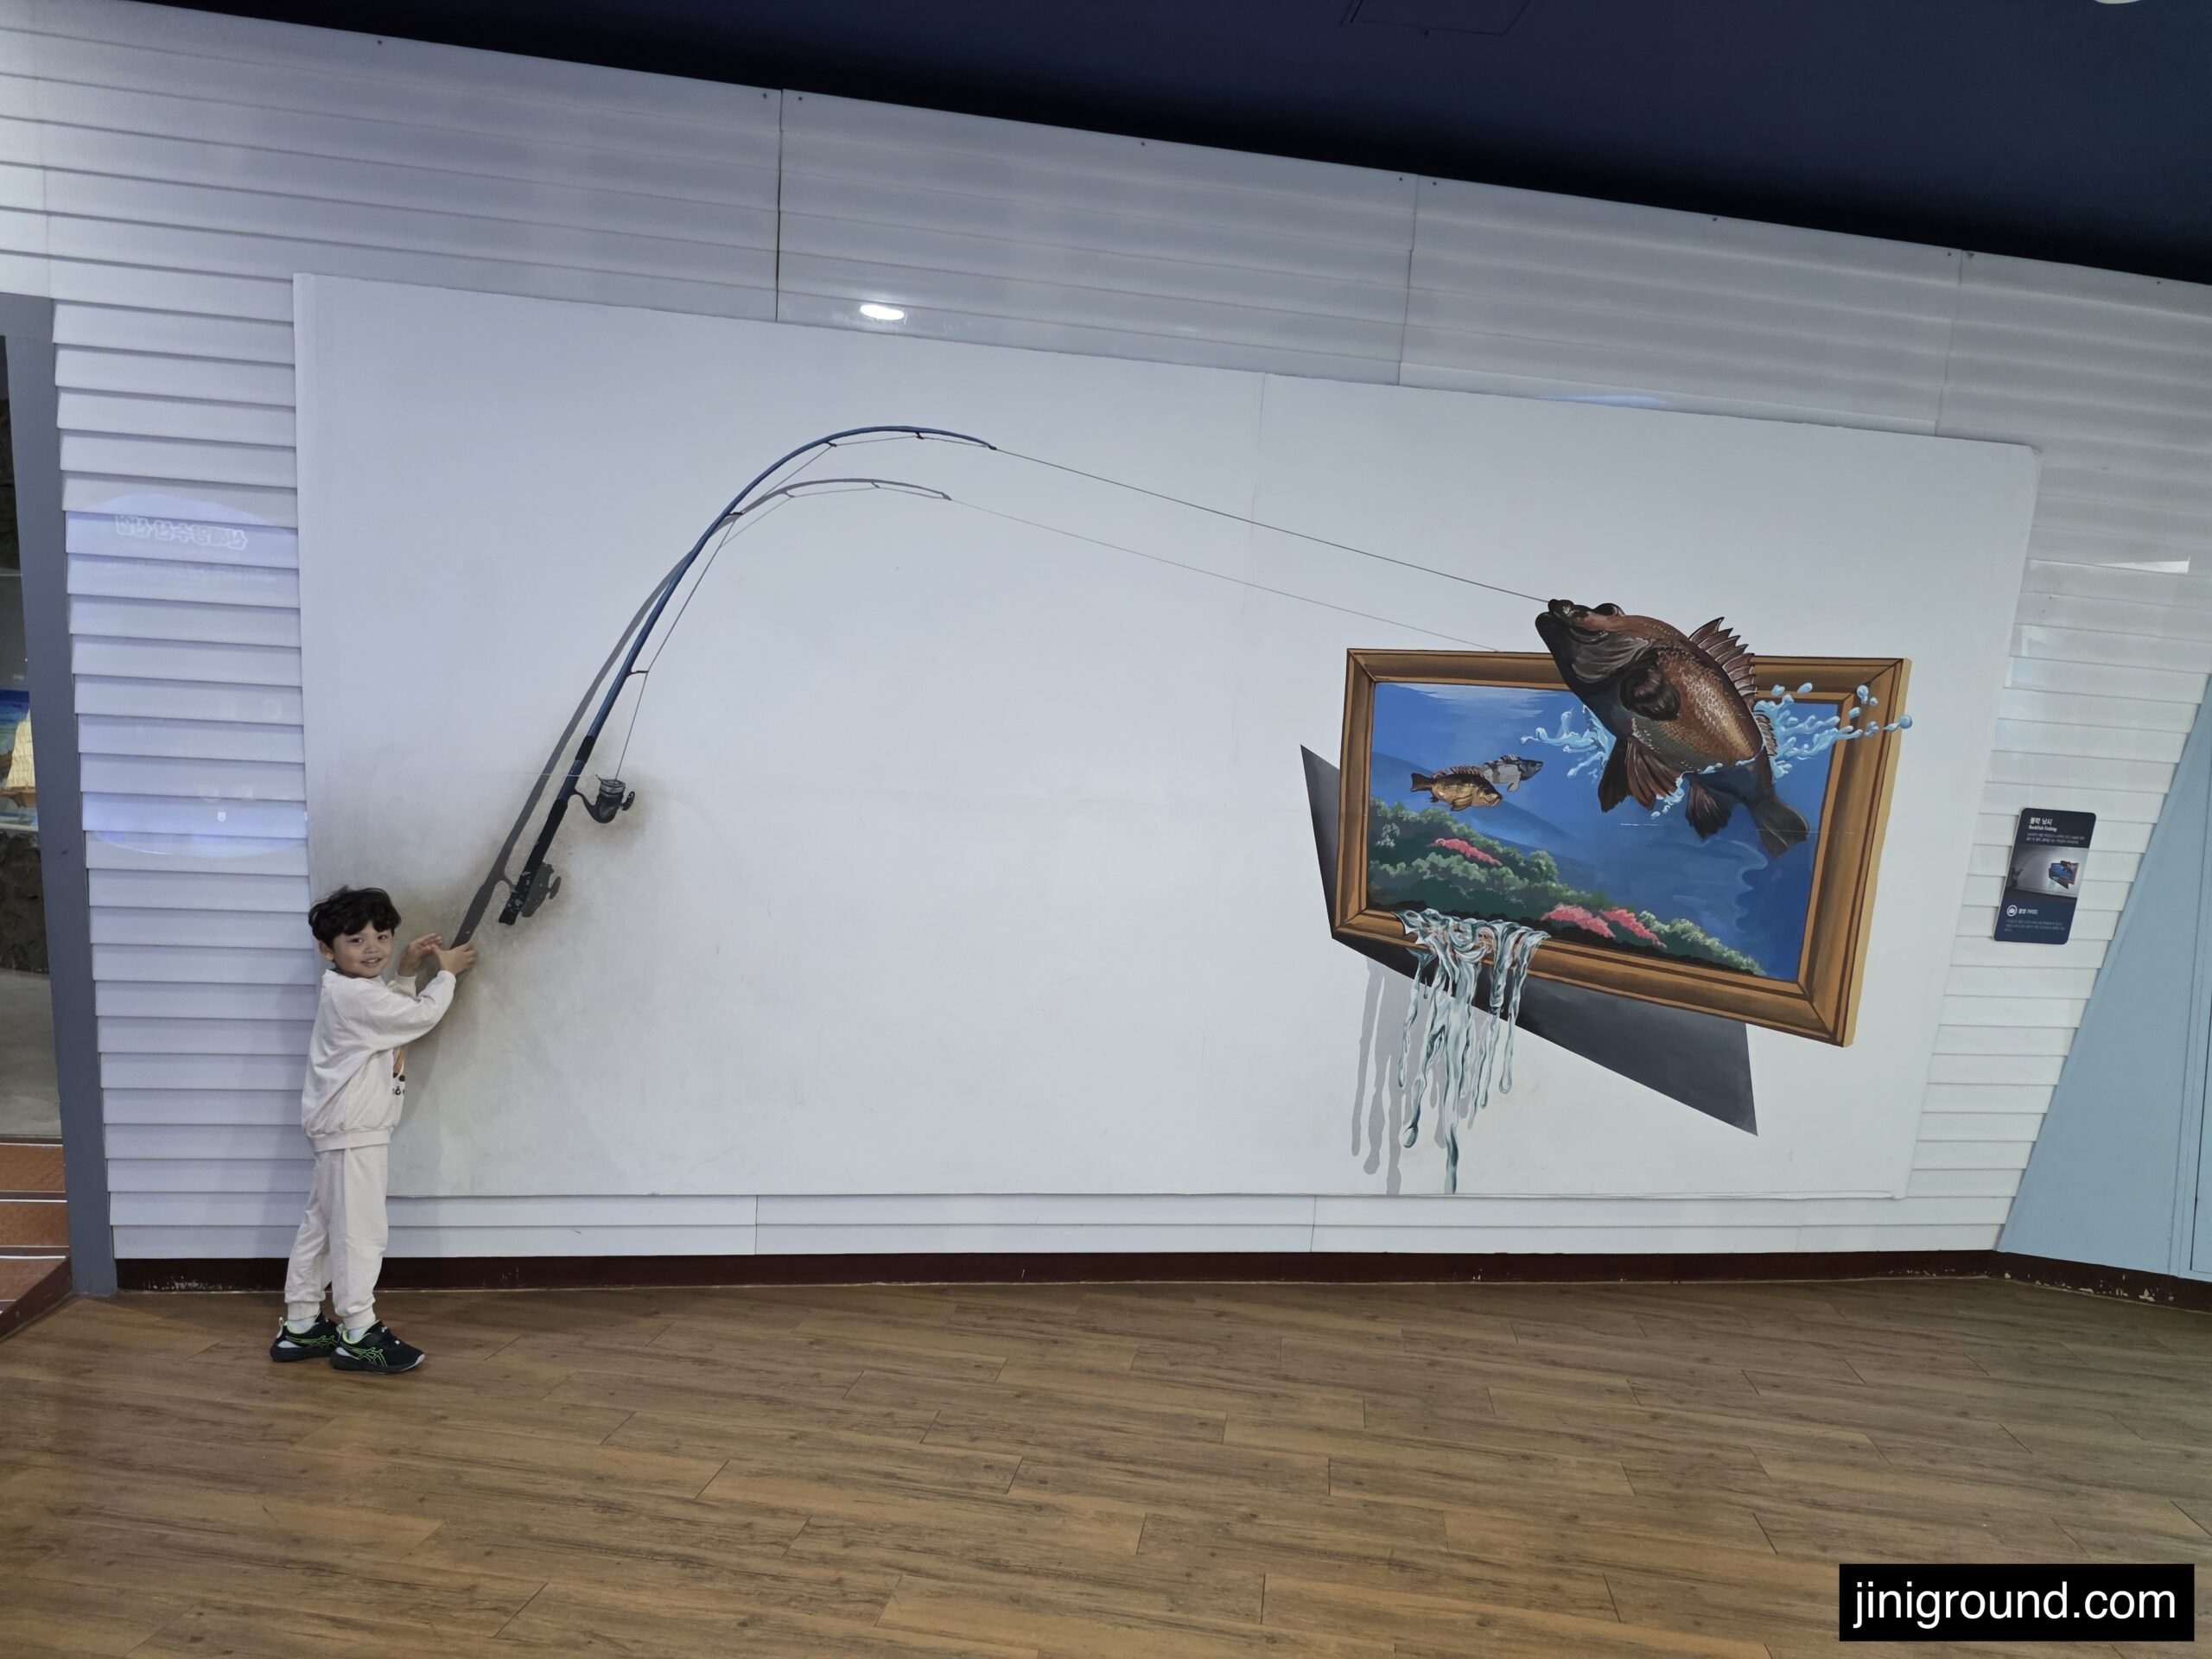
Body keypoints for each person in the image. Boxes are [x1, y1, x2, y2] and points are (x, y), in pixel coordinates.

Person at [270, 886, 475, 1373]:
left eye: (381, 936)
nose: (373, 948)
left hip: (341, 1132)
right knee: (360, 1234)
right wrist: (444, 974)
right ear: (328, 950)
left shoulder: (353, 994)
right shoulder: (354, 998)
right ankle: (358, 1331)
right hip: (353, 1133)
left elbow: (390, 1021)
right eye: (356, 941)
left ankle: (300, 1324)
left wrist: (405, 971)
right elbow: (418, 1017)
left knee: (321, 1228)